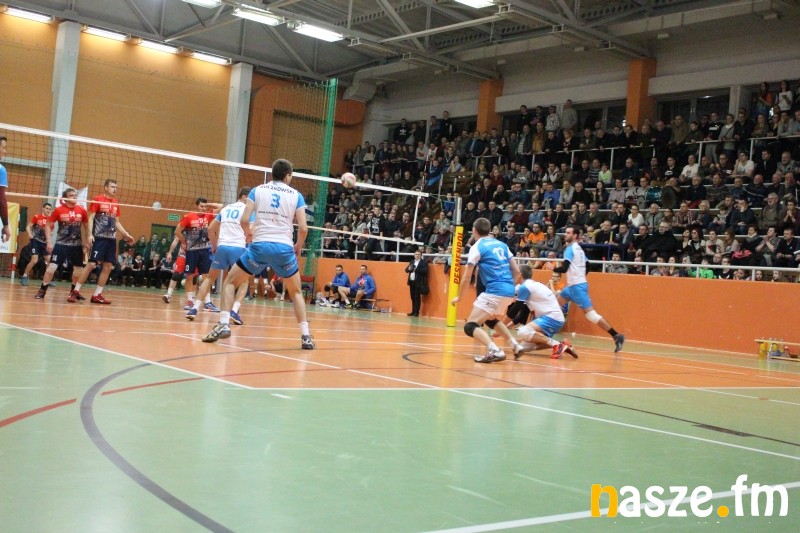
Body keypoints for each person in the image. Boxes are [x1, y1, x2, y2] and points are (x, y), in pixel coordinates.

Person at [203, 159, 315, 349]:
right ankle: (306, 337)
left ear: (273, 174)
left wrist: (248, 234)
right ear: (288, 176)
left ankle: (223, 324)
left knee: (229, 282)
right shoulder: (296, 195)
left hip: (259, 247)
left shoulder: (257, 190)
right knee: (296, 292)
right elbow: (303, 228)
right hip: (284, 249)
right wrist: (298, 246)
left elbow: (244, 219)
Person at [450, 217, 523, 363]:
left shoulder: (477, 247)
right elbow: (517, 271)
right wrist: (508, 287)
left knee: (470, 326)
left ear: (474, 230)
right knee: (490, 320)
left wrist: (459, 297)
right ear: (489, 230)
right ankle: (515, 345)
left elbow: (467, 276)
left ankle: (495, 350)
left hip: (495, 291)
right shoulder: (502, 245)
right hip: (509, 291)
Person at [553, 225, 625, 352]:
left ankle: (616, 335)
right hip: (572, 287)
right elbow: (588, 265)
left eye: (568, 233)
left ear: (575, 236)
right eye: (566, 232)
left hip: (577, 288)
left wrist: (552, 268)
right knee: (552, 305)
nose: (565, 234)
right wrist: (581, 276)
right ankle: (544, 333)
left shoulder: (570, 249)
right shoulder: (579, 249)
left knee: (591, 315)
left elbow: (564, 268)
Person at [186, 188, 251, 324]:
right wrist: (248, 240)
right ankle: (234, 311)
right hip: (238, 248)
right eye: (250, 197)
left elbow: (210, 229)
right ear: (244, 197)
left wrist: (215, 245)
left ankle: (195, 308)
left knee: (210, 278)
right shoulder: (247, 210)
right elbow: (250, 231)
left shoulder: (226, 209)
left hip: (222, 247)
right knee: (244, 281)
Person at [70, 179, 134, 304]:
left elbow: (117, 222)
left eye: (116, 187)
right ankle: (75, 291)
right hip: (99, 237)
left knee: (108, 266)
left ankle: (97, 295)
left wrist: (126, 234)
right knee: (91, 264)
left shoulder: (115, 203)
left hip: (111, 239)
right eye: (112, 186)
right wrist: (90, 234)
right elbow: (91, 218)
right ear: (106, 187)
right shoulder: (97, 199)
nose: (115, 189)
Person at [513, 264, 577, 359]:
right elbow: (521, 313)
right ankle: (562, 344)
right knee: (523, 348)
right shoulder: (530, 286)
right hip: (550, 318)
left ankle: (557, 345)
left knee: (522, 332)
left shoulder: (527, 287)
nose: (512, 275)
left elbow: (515, 310)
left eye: (514, 273)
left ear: (520, 275)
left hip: (552, 317)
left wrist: (501, 327)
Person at [35, 188, 89, 299]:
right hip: (61, 244)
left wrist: (86, 242)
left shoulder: (82, 210)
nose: (74, 197)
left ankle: (74, 292)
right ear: (65, 198)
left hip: (76, 245)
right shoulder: (58, 210)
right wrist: (49, 242)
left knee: (78, 270)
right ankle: (42, 290)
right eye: (71, 195)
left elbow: (86, 227)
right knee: (51, 267)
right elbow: (48, 226)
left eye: (75, 195)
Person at [20, 202, 53, 285]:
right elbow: (28, 227)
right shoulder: (37, 217)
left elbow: (51, 232)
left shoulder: (51, 220)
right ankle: (24, 276)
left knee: (50, 261)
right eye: (47, 208)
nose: (48, 210)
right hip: (36, 241)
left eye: (49, 209)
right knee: (34, 260)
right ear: (43, 208)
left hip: (44, 243)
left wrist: (49, 237)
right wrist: (29, 234)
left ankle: (47, 280)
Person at [405, 248, 428, 317]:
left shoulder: (424, 262)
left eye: (419, 254)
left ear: (421, 255)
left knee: (417, 297)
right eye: (416, 254)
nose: (417, 255)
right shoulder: (412, 261)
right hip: (411, 281)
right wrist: (409, 269)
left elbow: (425, 270)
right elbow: (406, 270)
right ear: (414, 255)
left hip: (418, 282)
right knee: (412, 297)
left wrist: (416, 269)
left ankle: (416, 312)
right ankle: (413, 311)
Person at [0, 136, 9, 243]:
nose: (5, 151)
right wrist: (6, 225)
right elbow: (1, 200)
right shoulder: (1, 169)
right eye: (3, 148)